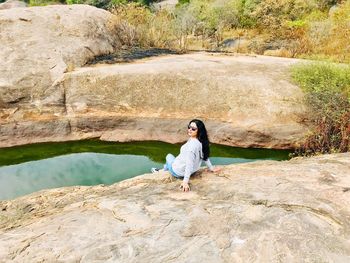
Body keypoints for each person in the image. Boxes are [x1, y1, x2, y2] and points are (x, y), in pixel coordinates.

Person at [151, 119, 220, 192]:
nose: (190, 130)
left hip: (178, 171)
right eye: (189, 127)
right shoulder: (200, 141)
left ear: (199, 131)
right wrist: (211, 168)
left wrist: (185, 182)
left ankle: (161, 171)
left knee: (169, 156)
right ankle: (163, 170)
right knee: (172, 160)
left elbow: (189, 164)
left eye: (193, 129)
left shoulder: (192, 147)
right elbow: (204, 156)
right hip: (192, 170)